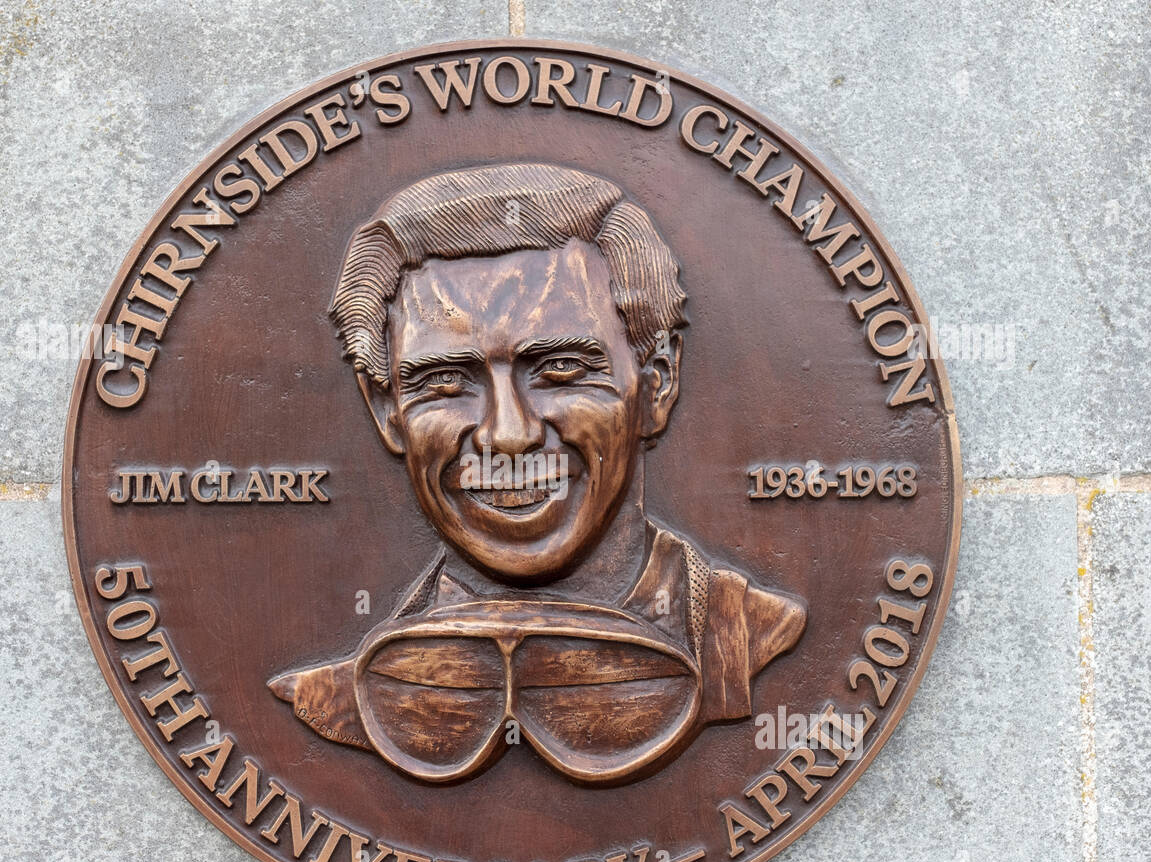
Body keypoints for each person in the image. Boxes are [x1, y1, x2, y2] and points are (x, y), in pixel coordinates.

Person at [269, 162, 805, 784]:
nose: (508, 433)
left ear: (656, 384)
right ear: (387, 413)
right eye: (444, 383)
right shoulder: (334, 697)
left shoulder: (757, 634)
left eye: (559, 371)